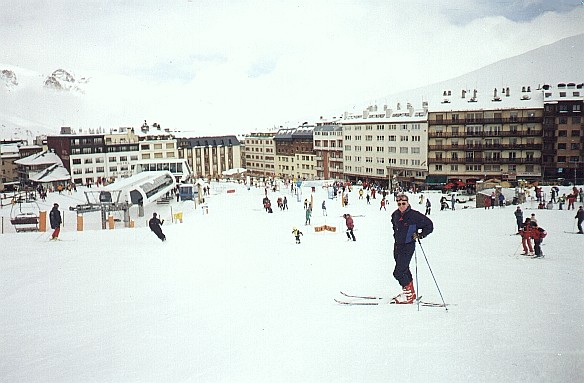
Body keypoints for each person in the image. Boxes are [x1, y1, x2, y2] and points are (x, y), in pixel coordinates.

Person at [390, 194, 433, 304]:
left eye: (403, 203)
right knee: (404, 269)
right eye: (399, 204)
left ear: (407, 203)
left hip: (408, 246)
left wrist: (420, 235)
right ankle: (410, 293)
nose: (401, 206)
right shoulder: (395, 215)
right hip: (398, 246)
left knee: (398, 272)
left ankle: (408, 296)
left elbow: (429, 225)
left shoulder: (414, 215)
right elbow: (394, 226)